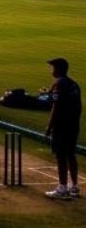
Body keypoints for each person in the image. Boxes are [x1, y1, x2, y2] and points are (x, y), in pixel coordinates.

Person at [45, 57, 81, 200]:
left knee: (61, 156)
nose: (51, 70)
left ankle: (62, 188)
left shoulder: (59, 84)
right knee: (71, 154)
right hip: (73, 124)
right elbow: (78, 106)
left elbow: (56, 108)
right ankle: (74, 186)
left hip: (61, 126)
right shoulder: (74, 84)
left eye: (52, 67)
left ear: (58, 69)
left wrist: (50, 126)